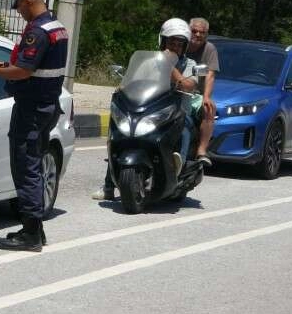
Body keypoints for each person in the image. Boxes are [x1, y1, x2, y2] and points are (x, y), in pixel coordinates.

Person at [0, 0, 68, 252]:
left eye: (19, 6)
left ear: (29, 1)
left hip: (32, 108)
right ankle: (35, 229)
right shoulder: (57, 27)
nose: (19, 12)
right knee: (32, 162)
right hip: (47, 104)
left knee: (26, 166)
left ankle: (31, 232)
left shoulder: (38, 31)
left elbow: (24, 70)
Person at [91, 18, 199, 201]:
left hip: (177, 111)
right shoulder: (150, 61)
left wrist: (170, 67)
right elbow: (132, 80)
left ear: (185, 46)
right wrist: (122, 88)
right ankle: (109, 185)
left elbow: (189, 85)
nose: (175, 46)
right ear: (163, 41)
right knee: (119, 136)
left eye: (180, 43)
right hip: (149, 108)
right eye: (171, 41)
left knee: (186, 129)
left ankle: (177, 170)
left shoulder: (190, 64)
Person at [186, 17, 219, 166]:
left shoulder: (209, 49)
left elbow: (210, 74)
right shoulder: (179, 43)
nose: (198, 35)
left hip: (194, 94)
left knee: (209, 108)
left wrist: (206, 96)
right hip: (172, 90)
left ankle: (201, 151)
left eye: (202, 32)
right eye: (194, 31)